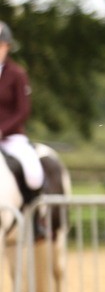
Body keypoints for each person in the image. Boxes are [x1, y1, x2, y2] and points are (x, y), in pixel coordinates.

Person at [0, 21, 44, 192]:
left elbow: (23, 111)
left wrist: (2, 130)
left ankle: (34, 213)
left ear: (7, 46)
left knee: (34, 176)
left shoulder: (17, 74)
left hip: (12, 138)